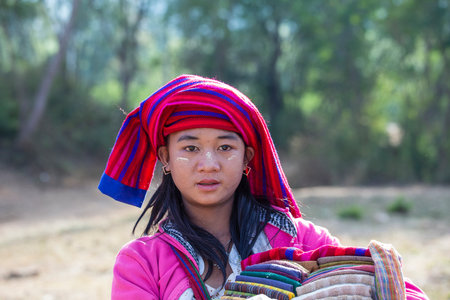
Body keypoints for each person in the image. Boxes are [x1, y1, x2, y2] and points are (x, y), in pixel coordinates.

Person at [99, 75, 428, 299]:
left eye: (225, 147)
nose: (209, 163)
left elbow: (404, 291)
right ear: (165, 159)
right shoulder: (142, 264)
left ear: (248, 158)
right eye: (190, 148)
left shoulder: (302, 239)